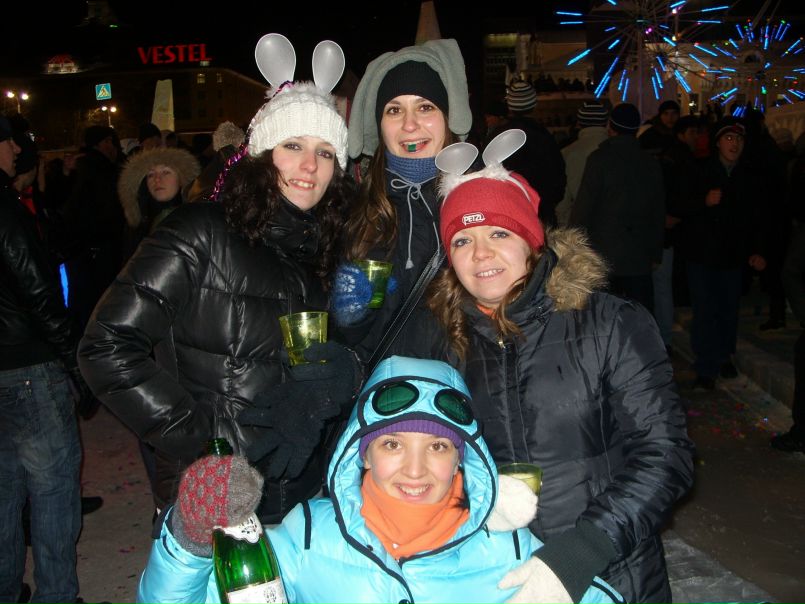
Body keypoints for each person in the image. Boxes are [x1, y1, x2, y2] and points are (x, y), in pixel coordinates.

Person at [396, 137, 694, 603]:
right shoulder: (445, 343)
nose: (480, 254)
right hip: (502, 578)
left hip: (612, 577)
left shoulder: (610, 323)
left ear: (531, 241)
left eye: (499, 234)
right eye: (462, 240)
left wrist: (582, 551)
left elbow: (666, 455)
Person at [77, 35, 360, 524]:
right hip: (215, 495)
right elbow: (105, 347)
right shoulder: (201, 230)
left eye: (326, 152)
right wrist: (208, 447)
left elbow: (334, 360)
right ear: (260, 153)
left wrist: (344, 370)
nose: (310, 166)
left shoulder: (328, 247)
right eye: (292, 145)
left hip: (303, 493)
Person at [136, 356, 623, 604]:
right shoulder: (307, 538)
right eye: (392, 445)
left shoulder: (508, 548)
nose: (415, 470)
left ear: (463, 459)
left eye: (438, 447)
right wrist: (191, 537)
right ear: (362, 453)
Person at [333, 38, 472, 368]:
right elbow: (344, 335)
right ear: (380, 126)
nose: (410, 125)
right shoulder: (352, 212)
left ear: (447, 117)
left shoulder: (480, 203)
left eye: (425, 107)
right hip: (384, 394)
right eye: (394, 110)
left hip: (467, 391)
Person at [0, 115, 93, 604]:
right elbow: (39, 292)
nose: (17, 150)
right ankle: (57, 596)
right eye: (9, 142)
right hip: (27, 367)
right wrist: (75, 363)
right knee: (52, 487)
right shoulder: (6, 210)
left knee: (4, 488)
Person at [674, 119, 767, 390]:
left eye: (738, 139)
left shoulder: (749, 177)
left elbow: (760, 217)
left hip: (732, 255)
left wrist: (758, 250)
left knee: (728, 309)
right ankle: (706, 365)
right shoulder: (699, 170)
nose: (734, 144)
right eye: (728, 139)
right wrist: (703, 202)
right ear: (717, 143)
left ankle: (724, 355)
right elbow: (679, 205)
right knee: (704, 310)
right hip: (702, 254)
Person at [570, 102, 665, 311]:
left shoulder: (599, 160)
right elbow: (657, 211)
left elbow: (585, 206)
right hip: (639, 253)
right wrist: (655, 252)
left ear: (610, 127)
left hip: (603, 253)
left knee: (603, 313)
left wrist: (574, 246)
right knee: (638, 313)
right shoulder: (649, 162)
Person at [489, 79, 566, 227]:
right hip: (541, 212)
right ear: (533, 105)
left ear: (510, 106)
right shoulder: (544, 136)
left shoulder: (498, 135)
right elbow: (558, 176)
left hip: (507, 211)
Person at [117, 147, 201, 261]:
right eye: (151, 175)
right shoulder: (138, 226)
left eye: (166, 172)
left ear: (181, 179)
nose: (157, 179)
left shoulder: (195, 223)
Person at [556, 101, 609, 227]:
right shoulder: (617, 151)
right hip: (614, 225)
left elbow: (563, 199)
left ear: (579, 123)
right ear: (606, 122)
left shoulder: (568, 153)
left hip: (580, 224)